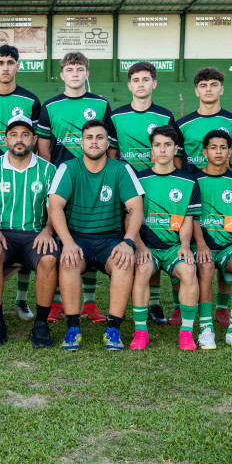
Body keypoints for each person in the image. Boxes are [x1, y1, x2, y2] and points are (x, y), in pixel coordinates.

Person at [48, 119, 144, 351]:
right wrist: (68, 243)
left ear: (107, 143)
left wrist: (128, 242)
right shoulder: (68, 168)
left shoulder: (120, 169)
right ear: (81, 143)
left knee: (123, 262)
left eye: (100, 138)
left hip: (110, 238)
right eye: (89, 138)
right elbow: (55, 206)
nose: (94, 142)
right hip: (77, 237)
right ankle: (73, 329)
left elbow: (135, 207)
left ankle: (113, 330)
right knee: (69, 261)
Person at [37, 51, 113, 324]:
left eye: (80, 69)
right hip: (64, 181)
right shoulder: (50, 106)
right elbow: (44, 150)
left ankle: (89, 303)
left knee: (90, 234)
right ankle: (58, 302)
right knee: (62, 238)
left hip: (95, 182)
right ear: (62, 75)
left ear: (87, 74)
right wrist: (54, 180)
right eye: (70, 70)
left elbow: (108, 145)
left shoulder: (101, 104)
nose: (75, 74)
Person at [106, 61, 180, 328]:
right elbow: (112, 155)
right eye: (136, 80)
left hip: (157, 188)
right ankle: (131, 301)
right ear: (129, 85)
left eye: (146, 79)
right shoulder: (116, 116)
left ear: (154, 83)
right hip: (126, 191)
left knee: (155, 240)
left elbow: (175, 155)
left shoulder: (165, 116)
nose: (141, 84)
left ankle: (155, 303)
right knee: (132, 244)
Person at [0, 44, 43, 322]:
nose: (5, 67)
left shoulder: (31, 100)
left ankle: (22, 300)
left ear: (17, 66)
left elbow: (35, 142)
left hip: (26, 175)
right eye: (0, 62)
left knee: (29, 229)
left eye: (10, 62)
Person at [0, 115, 59, 348]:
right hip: (3, 234)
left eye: (25, 134)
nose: (19, 139)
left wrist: (48, 231)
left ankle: (41, 325)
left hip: (36, 234)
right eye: (13, 135)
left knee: (49, 258)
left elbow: (54, 212)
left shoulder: (49, 170)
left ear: (34, 139)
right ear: (5, 140)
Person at [131, 126, 201, 351]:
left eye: (168, 145)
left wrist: (185, 245)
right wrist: (139, 246)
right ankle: (141, 331)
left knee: (189, 270)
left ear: (176, 149)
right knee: (142, 270)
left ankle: (186, 333)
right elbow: (130, 217)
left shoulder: (189, 181)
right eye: (157, 145)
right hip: (147, 246)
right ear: (151, 149)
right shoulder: (139, 179)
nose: (162, 150)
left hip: (173, 248)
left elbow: (187, 219)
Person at [192, 130, 232, 350]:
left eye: (223, 148)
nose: (218, 152)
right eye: (213, 147)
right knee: (206, 266)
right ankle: (205, 328)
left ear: (229, 152)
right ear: (204, 152)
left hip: (228, 245)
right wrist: (201, 244)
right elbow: (191, 218)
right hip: (200, 244)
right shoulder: (194, 180)